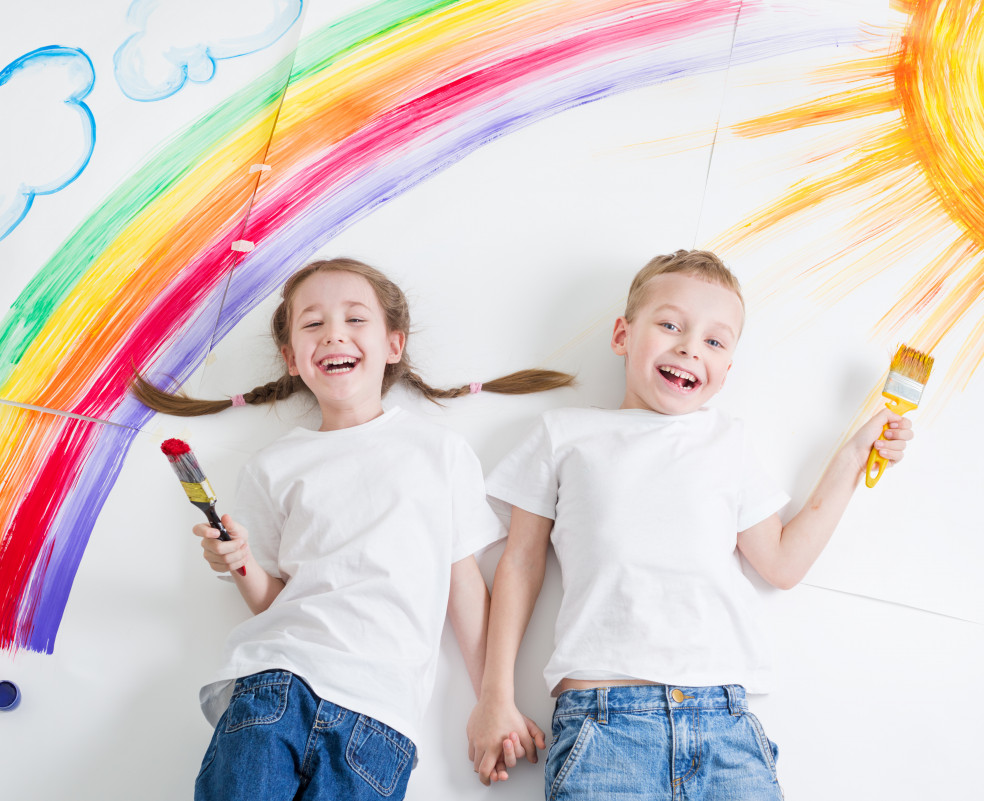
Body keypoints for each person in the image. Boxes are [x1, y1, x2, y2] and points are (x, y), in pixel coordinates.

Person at [466, 249, 914, 799]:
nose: (688, 347)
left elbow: (781, 564)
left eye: (714, 341)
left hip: (723, 727)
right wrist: (494, 697)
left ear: (727, 371)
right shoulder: (564, 434)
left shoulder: (728, 442)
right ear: (622, 335)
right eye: (671, 325)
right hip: (603, 726)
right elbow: (521, 563)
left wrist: (852, 458)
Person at [132, 257, 573, 800]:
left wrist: (495, 698)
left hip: (379, 717)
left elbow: (462, 584)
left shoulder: (440, 453)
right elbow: (272, 602)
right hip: (276, 683)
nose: (333, 334)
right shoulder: (272, 467)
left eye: (355, 319)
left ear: (394, 345)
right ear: (293, 358)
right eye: (313, 324)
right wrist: (240, 562)